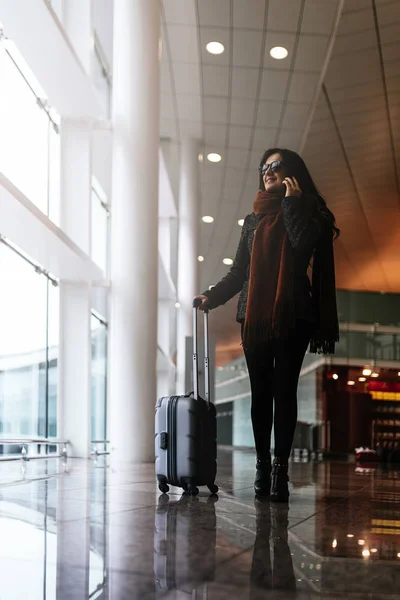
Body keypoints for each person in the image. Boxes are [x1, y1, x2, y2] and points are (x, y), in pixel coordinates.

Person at [194, 148, 339, 502]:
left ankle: (280, 470)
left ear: (292, 172)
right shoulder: (253, 219)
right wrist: (212, 296)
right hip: (256, 317)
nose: (267, 171)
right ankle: (262, 465)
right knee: (261, 394)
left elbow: (304, 245)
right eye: (264, 167)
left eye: (275, 166)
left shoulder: (311, 213)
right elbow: (240, 271)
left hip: (294, 315)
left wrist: (291, 203)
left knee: (284, 391)